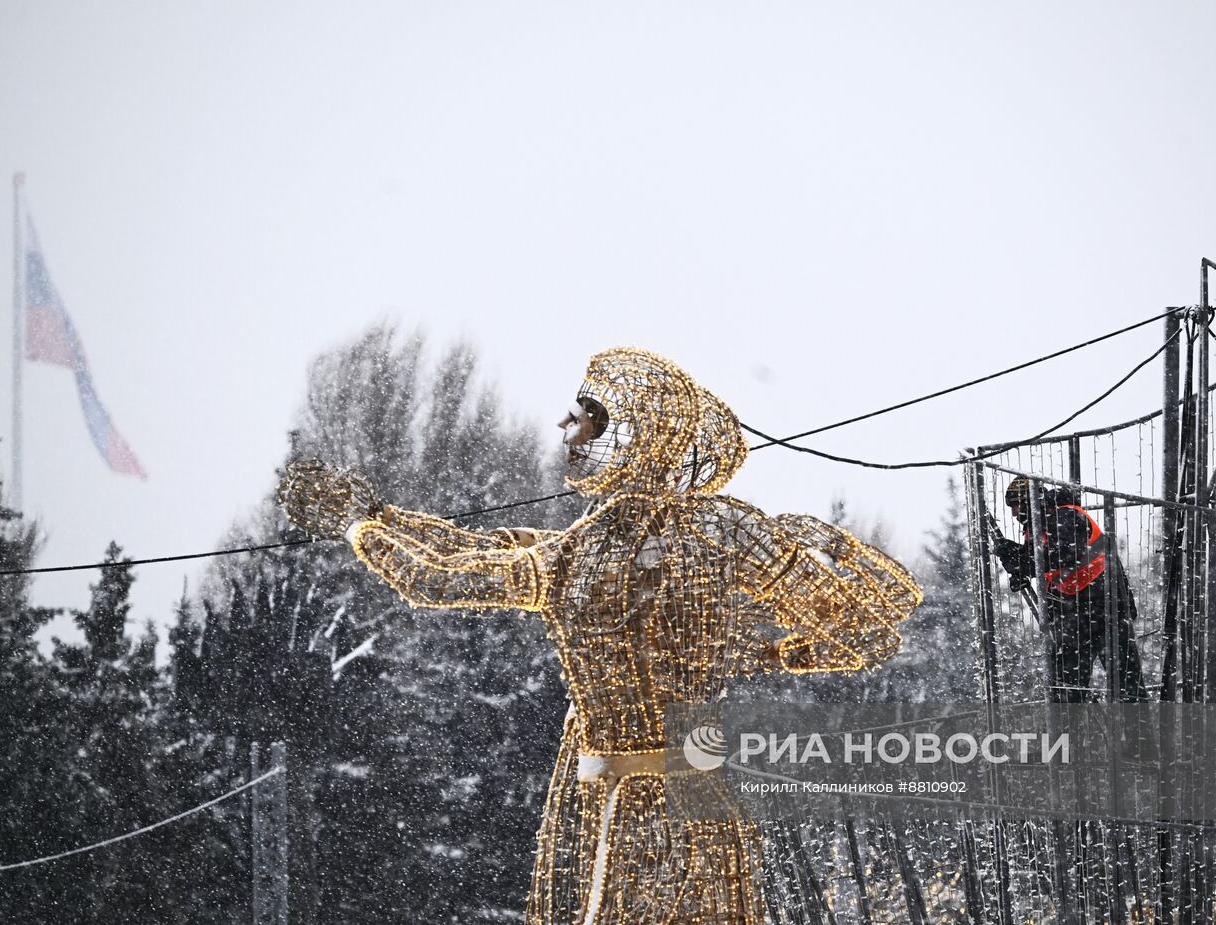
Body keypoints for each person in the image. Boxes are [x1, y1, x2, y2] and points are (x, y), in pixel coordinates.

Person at [277, 347, 922, 925]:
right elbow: (868, 628)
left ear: (635, 433)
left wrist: (363, 527)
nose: (566, 427)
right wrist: (767, 651)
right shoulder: (700, 534)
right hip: (683, 789)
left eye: (586, 414)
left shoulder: (588, 555)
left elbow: (441, 577)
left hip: (621, 804)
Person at [992, 476, 1148, 703]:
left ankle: (1138, 737)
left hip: (1106, 609)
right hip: (1075, 616)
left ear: (1032, 501)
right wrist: (1019, 562)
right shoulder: (1039, 528)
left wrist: (1022, 561)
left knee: (1127, 688)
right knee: (1066, 692)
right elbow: (1047, 568)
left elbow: (1063, 555)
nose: (1015, 513)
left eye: (1017, 505)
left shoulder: (1066, 514)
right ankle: (1075, 735)